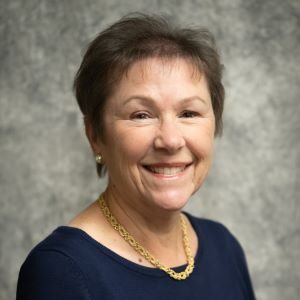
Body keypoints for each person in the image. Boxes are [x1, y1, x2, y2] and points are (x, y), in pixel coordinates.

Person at [17, 13, 256, 299]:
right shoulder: (60, 271)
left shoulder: (223, 246)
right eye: (141, 115)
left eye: (188, 113)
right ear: (95, 136)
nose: (170, 140)